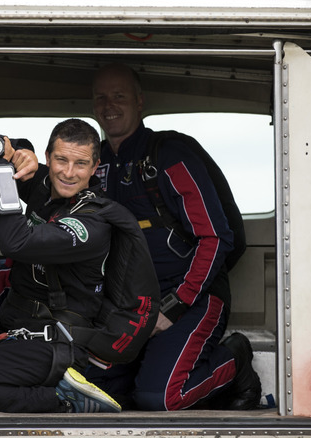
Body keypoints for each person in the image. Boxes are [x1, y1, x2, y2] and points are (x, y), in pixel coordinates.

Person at [87, 63, 261, 411]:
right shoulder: (93, 164)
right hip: (132, 304)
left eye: (119, 96)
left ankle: (236, 358)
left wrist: (176, 304)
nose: (109, 105)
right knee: (99, 395)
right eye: (101, 97)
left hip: (193, 297)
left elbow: (215, 238)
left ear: (140, 101)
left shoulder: (169, 155)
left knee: (160, 399)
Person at [0, 118, 126, 413]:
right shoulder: (44, 184)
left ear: (94, 167)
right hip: (19, 334)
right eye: (61, 160)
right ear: (48, 157)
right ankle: (47, 392)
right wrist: (17, 153)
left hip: (56, 346)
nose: (69, 173)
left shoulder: (92, 221)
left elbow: (17, 243)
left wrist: (1, 175)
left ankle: (60, 400)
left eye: (81, 164)